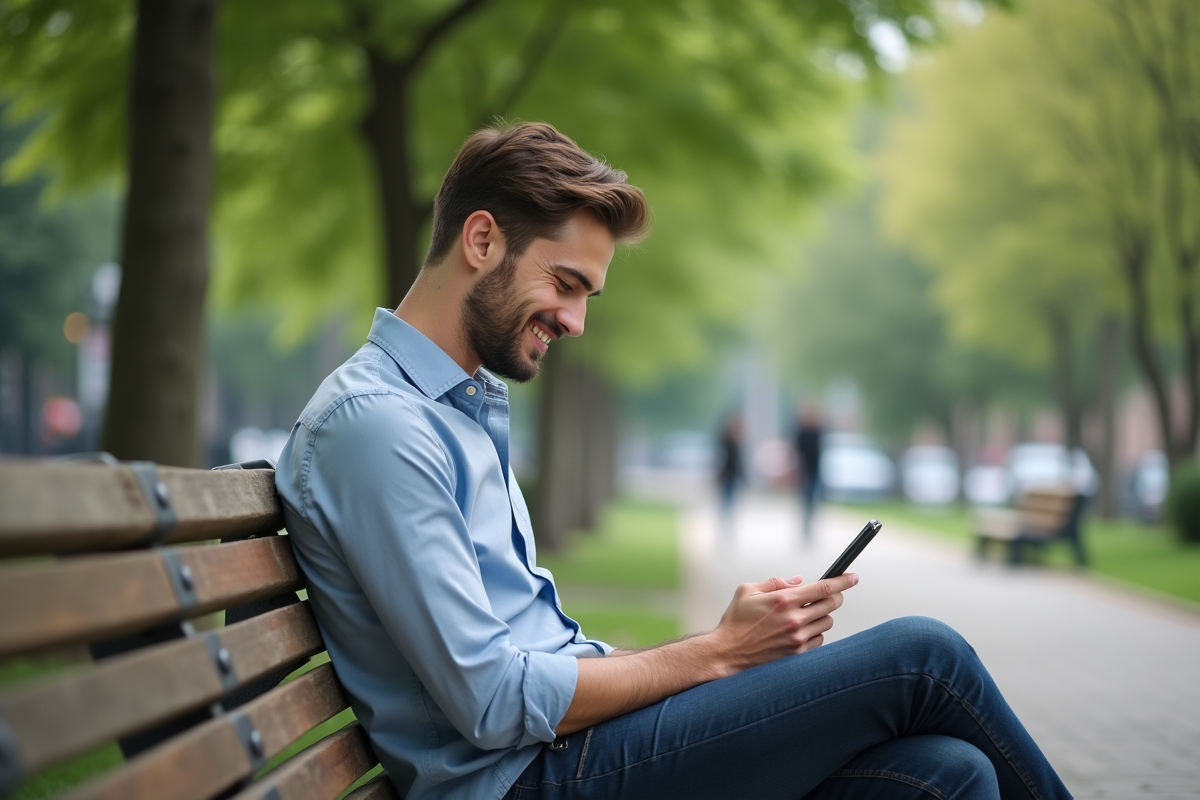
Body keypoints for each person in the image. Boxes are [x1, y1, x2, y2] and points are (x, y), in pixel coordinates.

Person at [276, 122, 1072, 800]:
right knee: (924, 659)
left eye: (588, 296)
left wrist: (726, 646)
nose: (576, 321)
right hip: (525, 779)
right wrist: (717, 656)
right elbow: (491, 699)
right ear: (482, 241)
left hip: (558, 756)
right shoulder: (378, 428)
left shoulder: (453, 410)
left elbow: (536, 660)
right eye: (566, 283)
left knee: (949, 773)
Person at [795, 401, 824, 540]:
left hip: (815, 471)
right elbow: (797, 450)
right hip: (804, 472)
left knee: (813, 501)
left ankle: (810, 526)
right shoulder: (801, 432)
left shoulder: (817, 431)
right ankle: (805, 527)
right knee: (805, 500)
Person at [715, 414, 743, 535]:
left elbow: (739, 462)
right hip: (726, 477)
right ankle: (723, 530)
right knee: (725, 504)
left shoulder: (737, 442)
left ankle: (728, 530)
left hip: (733, 477)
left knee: (731, 505)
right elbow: (722, 461)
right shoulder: (725, 442)